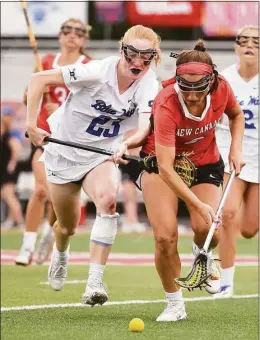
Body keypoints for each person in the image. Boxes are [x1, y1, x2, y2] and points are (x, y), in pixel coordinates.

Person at [25, 25, 161, 305]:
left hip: (101, 154)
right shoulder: (96, 71)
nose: (138, 62)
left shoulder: (149, 82)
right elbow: (38, 80)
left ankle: (94, 282)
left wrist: (126, 144)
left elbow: (146, 125)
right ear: (122, 50)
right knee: (67, 226)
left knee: (108, 201)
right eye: (132, 54)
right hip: (64, 152)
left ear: (153, 58)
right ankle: (60, 254)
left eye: (146, 57)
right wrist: (31, 124)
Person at [118, 39, 245, 321]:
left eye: (198, 88)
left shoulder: (222, 87)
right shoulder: (166, 103)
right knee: (165, 238)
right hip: (162, 166)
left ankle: (202, 251)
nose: (190, 95)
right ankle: (175, 304)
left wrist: (236, 148)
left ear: (211, 81)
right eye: (184, 88)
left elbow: (235, 116)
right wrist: (198, 204)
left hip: (205, 163)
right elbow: (165, 168)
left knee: (209, 229)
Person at [15, 18, 92, 266]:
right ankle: (26, 247)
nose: (72, 35)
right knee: (40, 190)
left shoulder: (89, 66)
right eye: (67, 30)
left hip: (71, 142)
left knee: (57, 198)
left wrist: (60, 108)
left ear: (84, 39)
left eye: (78, 32)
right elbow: (29, 99)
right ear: (60, 36)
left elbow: (92, 104)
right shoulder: (46, 62)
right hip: (44, 137)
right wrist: (31, 96)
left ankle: (49, 236)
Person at [214, 25, 259, 298]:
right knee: (227, 214)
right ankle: (226, 282)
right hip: (230, 155)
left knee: (250, 229)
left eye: (256, 40)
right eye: (243, 40)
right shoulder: (223, 80)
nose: (250, 45)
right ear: (235, 46)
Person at [1, 113, 24, 228]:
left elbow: (16, 149)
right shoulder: (4, 134)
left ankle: (19, 221)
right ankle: (11, 220)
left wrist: (12, 163)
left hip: (9, 170)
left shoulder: (11, 134)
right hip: (4, 169)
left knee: (9, 196)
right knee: (8, 196)